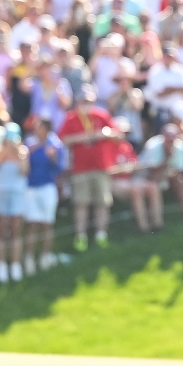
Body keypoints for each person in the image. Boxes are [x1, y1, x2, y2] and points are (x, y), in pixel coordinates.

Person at [58, 87, 119, 250]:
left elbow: (118, 135)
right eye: (84, 101)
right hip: (80, 167)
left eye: (90, 101)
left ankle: (101, 234)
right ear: (78, 102)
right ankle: (81, 236)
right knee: (81, 203)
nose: (87, 104)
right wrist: (82, 138)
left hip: (101, 165)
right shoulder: (71, 118)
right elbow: (62, 140)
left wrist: (105, 134)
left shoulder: (101, 115)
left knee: (102, 202)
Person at [23, 115, 66, 274]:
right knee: (31, 224)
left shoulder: (56, 145)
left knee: (47, 223)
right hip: (31, 188)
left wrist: (53, 158)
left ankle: (45, 256)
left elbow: (59, 168)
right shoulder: (29, 143)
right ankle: (28, 259)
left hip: (47, 187)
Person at [0, 121, 29, 281]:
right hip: (0, 193)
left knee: (15, 230)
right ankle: (1, 264)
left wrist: (18, 154)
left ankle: (15, 264)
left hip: (17, 194)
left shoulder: (23, 152)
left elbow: (24, 171)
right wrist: (7, 151)